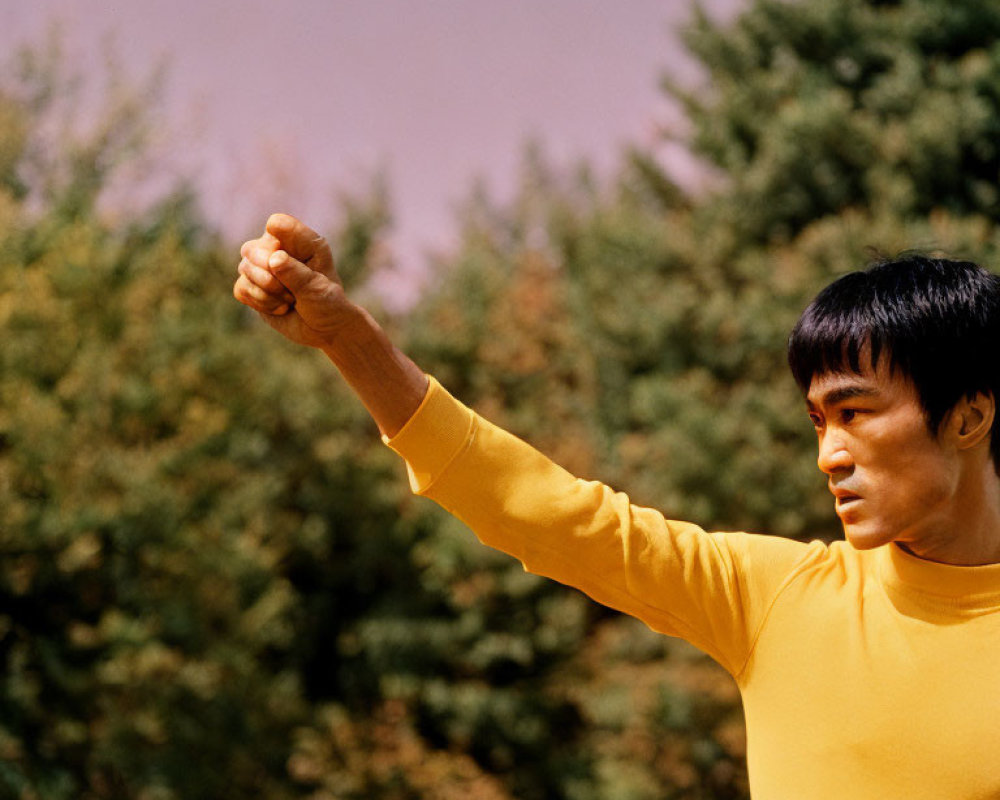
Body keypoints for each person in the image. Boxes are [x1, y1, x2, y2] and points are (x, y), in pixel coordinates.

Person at [233, 213, 1000, 799]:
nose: (830, 454)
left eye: (857, 413)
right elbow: (544, 512)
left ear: (967, 417)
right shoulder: (775, 598)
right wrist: (349, 339)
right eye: (818, 422)